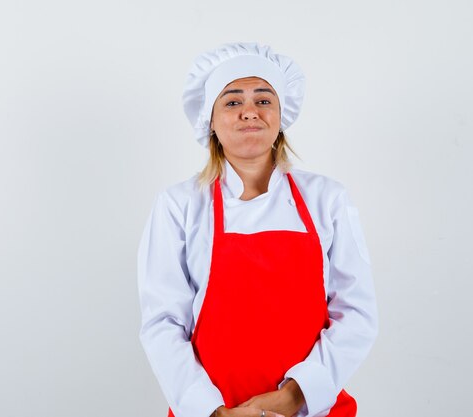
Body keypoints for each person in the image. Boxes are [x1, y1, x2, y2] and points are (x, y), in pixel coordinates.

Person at [137, 42, 378, 417]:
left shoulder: (327, 199)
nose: (250, 112)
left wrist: (296, 395)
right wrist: (211, 410)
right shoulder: (179, 205)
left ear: (281, 115)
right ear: (210, 121)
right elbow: (162, 322)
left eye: (263, 100)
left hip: (310, 408)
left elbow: (356, 313)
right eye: (232, 102)